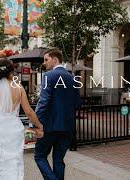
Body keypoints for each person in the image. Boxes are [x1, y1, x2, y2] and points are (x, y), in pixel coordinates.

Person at [34, 48, 81, 180]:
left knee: (39, 156)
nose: (44, 63)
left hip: (49, 126)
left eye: (46, 60)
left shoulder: (48, 76)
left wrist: (36, 122)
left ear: (55, 60)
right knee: (58, 160)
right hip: (67, 127)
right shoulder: (72, 78)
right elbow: (78, 104)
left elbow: (43, 102)